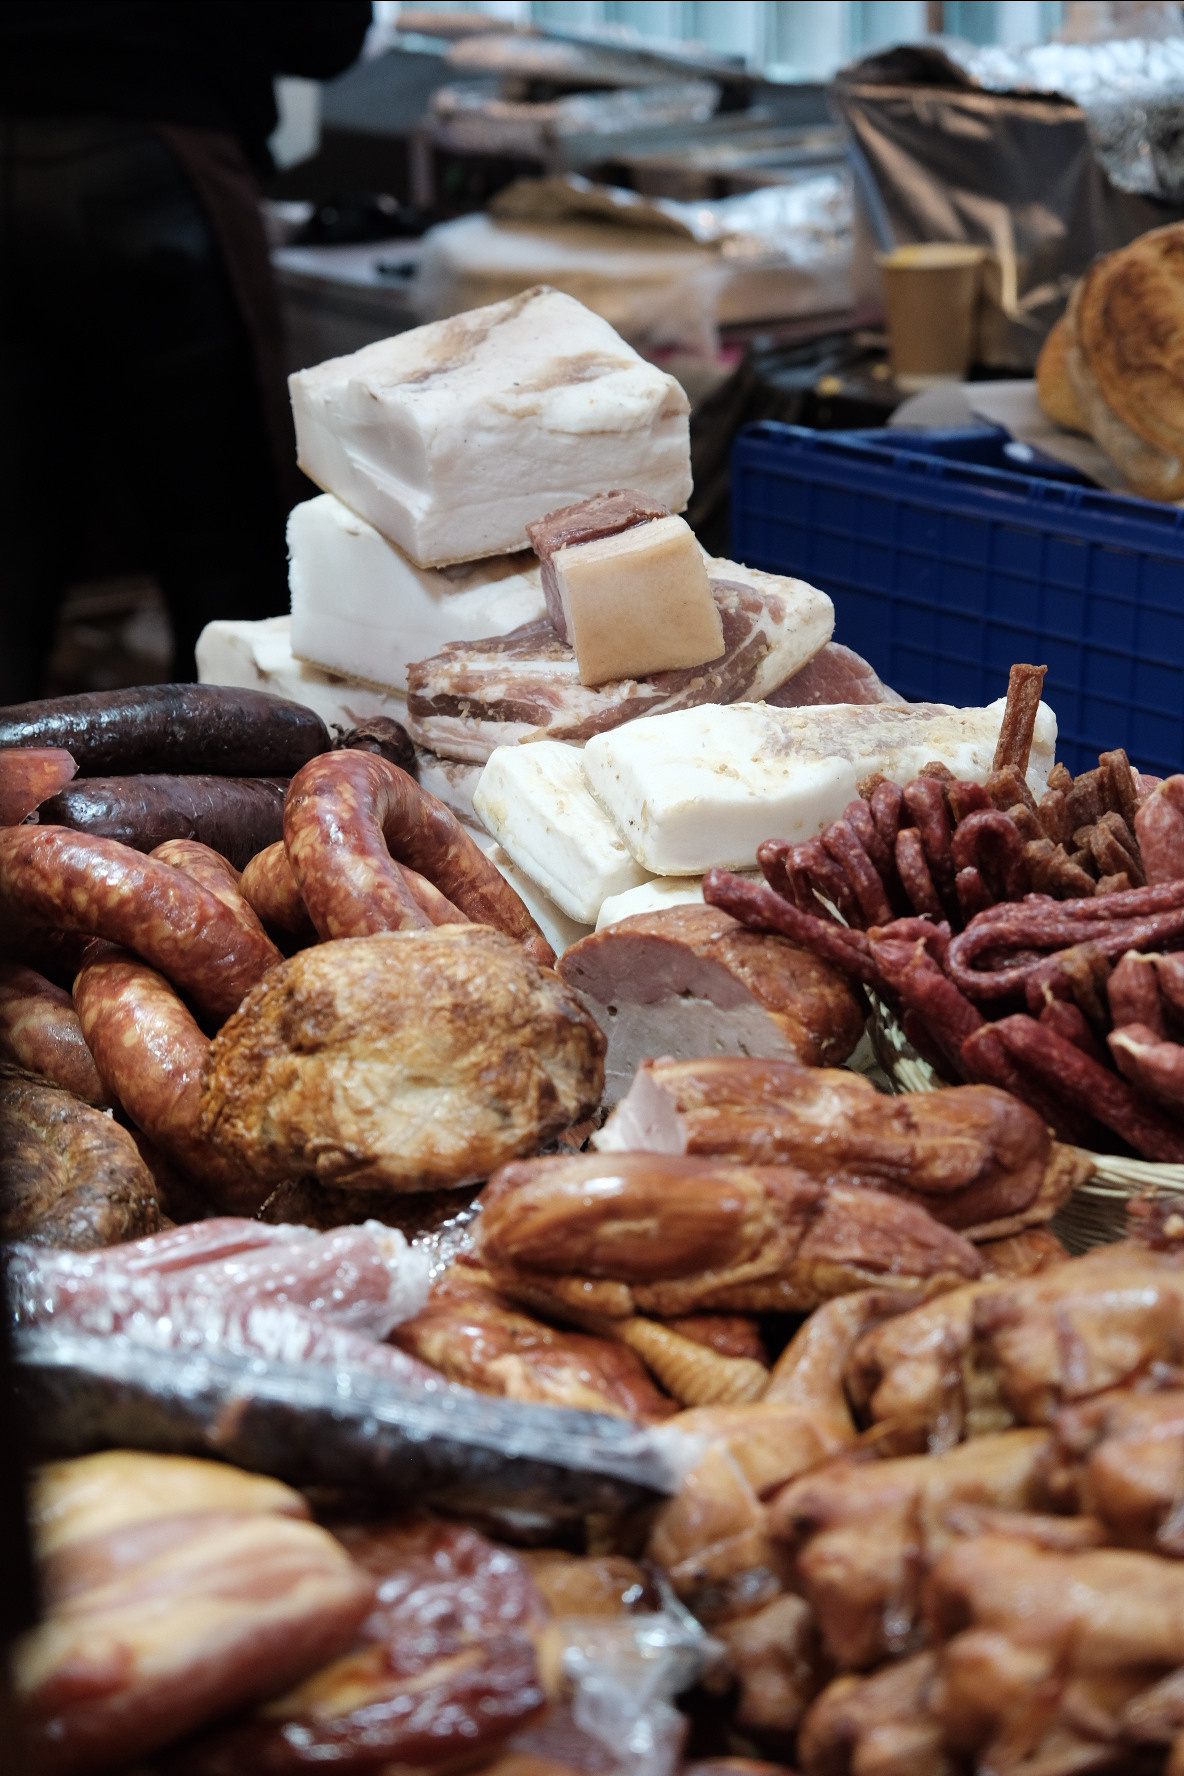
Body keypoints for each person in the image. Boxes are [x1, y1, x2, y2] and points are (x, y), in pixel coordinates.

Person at [0, 3, 372, 700]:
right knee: (222, 558)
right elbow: (324, 33)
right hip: (153, 162)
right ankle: (218, 767)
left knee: (12, 555)